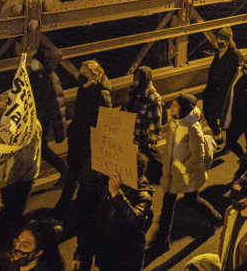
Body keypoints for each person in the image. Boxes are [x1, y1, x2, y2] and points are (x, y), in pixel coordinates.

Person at [151, 93, 223, 251]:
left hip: (187, 175)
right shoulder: (174, 122)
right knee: (167, 206)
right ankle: (163, 241)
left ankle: (214, 218)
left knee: (193, 200)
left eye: (176, 105)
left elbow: (198, 157)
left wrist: (182, 170)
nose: (172, 107)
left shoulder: (193, 128)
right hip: (173, 173)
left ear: (183, 108)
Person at [72, 156, 154, 271]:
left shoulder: (143, 193)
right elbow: (94, 222)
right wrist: (80, 253)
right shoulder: (107, 187)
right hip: (106, 256)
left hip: (127, 260)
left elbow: (135, 221)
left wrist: (117, 195)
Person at [55, 59, 111, 212]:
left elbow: (106, 120)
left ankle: (78, 208)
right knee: (72, 173)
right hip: (77, 137)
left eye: (85, 74)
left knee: (84, 177)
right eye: (81, 73)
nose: (81, 77)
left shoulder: (102, 93)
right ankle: (62, 207)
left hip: (89, 141)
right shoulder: (82, 88)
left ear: (94, 75)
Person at [187, 177, 247, 271]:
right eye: (232, 197)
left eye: (238, 199)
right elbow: (224, 239)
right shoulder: (230, 211)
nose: (234, 201)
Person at [0, 90, 41, 244]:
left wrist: (7, 181)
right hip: (10, 176)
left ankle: (8, 246)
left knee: (11, 215)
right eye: (0, 108)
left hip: (19, 179)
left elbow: (25, 159)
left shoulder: (28, 126)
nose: (2, 111)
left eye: (4, 108)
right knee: (5, 215)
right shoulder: (10, 121)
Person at [25, 38, 68, 179]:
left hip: (41, 121)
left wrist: (60, 133)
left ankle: (64, 170)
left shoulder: (49, 80)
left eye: (37, 62)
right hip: (35, 119)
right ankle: (64, 170)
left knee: (40, 149)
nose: (34, 64)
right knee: (39, 149)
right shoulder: (37, 76)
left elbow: (57, 107)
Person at [124, 66, 163, 182]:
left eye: (139, 77)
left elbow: (155, 121)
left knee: (146, 158)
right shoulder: (133, 91)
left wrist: (153, 139)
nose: (136, 79)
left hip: (142, 135)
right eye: (135, 76)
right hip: (131, 132)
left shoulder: (152, 97)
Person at [202, 28, 241, 139]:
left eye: (222, 39)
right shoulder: (218, 52)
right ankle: (218, 134)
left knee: (214, 113)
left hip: (223, 91)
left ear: (228, 41)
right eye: (218, 38)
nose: (219, 40)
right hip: (212, 89)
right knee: (209, 113)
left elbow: (234, 76)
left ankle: (219, 136)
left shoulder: (233, 56)